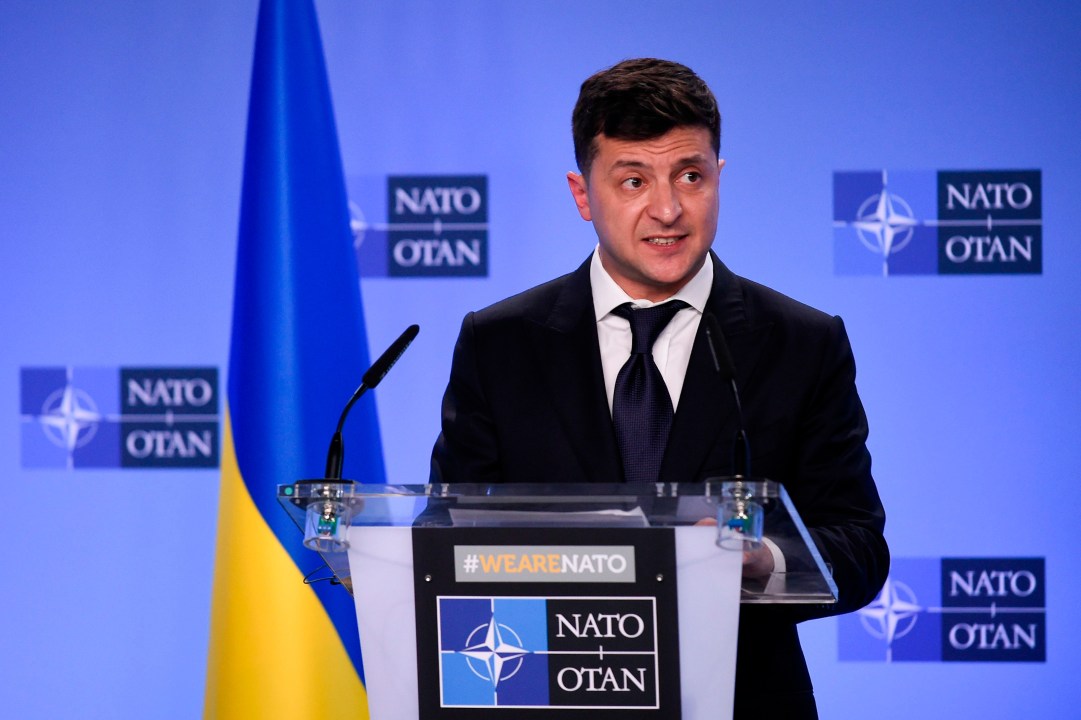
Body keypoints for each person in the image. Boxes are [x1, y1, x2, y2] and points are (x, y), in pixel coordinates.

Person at [431, 57, 888, 718]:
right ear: (582, 194)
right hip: (549, 697)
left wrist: (763, 560)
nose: (668, 209)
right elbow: (446, 531)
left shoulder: (801, 343)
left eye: (690, 176)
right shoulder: (500, 343)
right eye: (633, 180)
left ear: (718, 177)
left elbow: (859, 546)